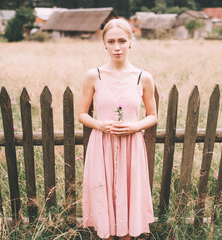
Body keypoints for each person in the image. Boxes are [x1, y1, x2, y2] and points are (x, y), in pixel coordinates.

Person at [77, 18, 157, 240]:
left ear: (131, 41)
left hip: (132, 146)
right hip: (101, 145)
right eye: (111, 41)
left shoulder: (144, 77)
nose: (117, 47)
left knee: (128, 198)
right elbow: (82, 114)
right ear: (104, 44)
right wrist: (99, 124)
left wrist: (134, 126)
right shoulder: (94, 75)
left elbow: (153, 116)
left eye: (122, 40)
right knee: (105, 196)